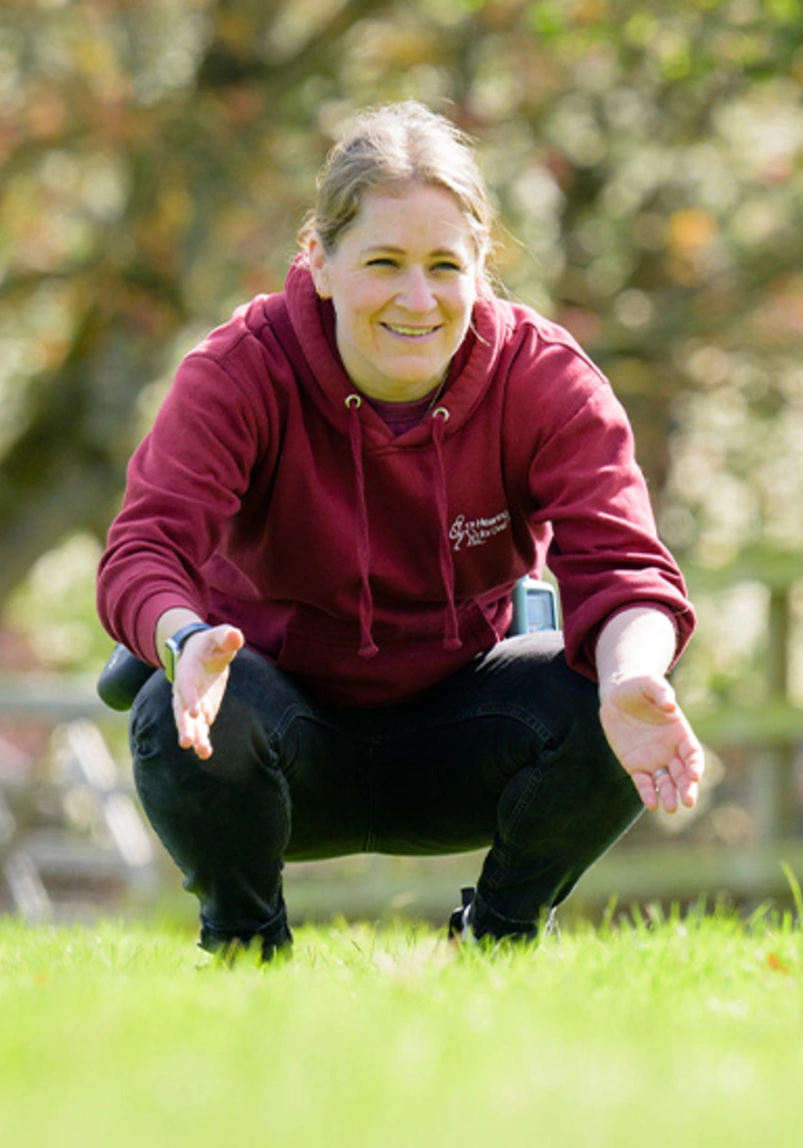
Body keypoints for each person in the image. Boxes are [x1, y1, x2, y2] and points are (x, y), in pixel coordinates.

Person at [96, 101, 702, 960]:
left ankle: (499, 942)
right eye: (384, 261)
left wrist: (630, 673)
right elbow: (144, 547)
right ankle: (245, 950)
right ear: (321, 262)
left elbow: (628, 568)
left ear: (481, 267)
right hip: (280, 734)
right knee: (182, 707)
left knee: (607, 698)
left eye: (444, 266)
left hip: (466, 730)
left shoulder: (544, 380)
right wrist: (182, 637)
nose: (417, 300)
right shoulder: (241, 371)